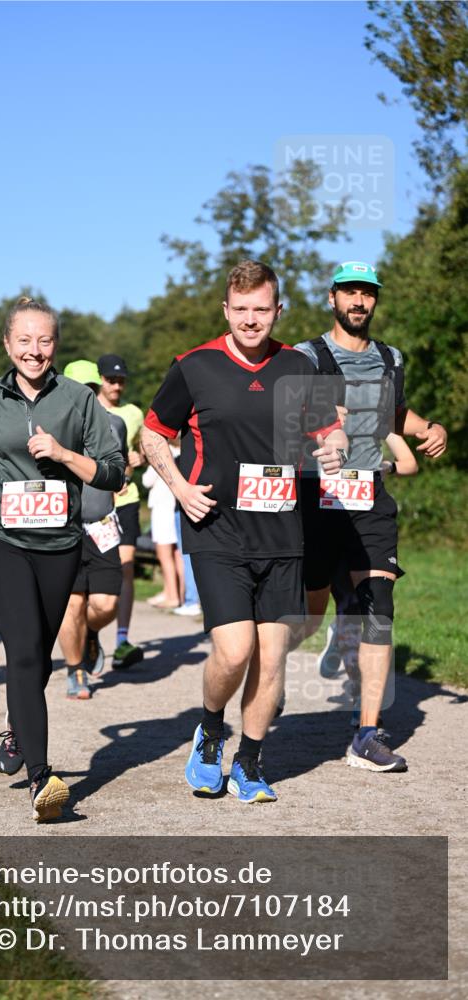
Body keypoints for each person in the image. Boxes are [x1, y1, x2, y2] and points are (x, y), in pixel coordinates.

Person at [142, 260, 347, 804]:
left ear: (278, 310)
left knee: (272, 657)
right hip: (217, 529)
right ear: (225, 310)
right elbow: (152, 433)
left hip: (283, 533)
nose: (252, 320)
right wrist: (181, 489)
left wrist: (335, 446)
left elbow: (332, 430)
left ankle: (250, 762)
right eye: (242, 310)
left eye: (262, 309)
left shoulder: (300, 367)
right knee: (234, 652)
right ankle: (210, 731)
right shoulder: (195, 365)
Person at [0, 298, 124, 822]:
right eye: (24, 340)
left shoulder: (78, 400)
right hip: (0, 537)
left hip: (59, 544)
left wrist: (65, 454)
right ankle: (42, 778)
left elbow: (113, 472)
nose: (34, 350)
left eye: (44, 341)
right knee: (24, 651)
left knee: (37, 658)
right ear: (8, 345)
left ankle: (16, 725)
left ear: (56, 346)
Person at [293, 261, 447, 772]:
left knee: (378, 603)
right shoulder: (306, 357)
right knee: (309, 615)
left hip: (369, 497)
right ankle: (291, 659)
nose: (359, 302)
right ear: (332, 298)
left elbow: (393, 412)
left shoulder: (390, 358)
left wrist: (428, 428)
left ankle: (366, 733)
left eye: (367, 294)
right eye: (349, 293)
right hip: (317, 497)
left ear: (375, 300)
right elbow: (283, 422)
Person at [317, 431, 419, 727]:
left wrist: (386, 467)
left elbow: (410, 463)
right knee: (348, 611)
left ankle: (365, 705)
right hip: (330, 524)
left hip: (369, 528)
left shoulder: (377, 420)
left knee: (372, 610)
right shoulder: (318, 420)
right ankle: (352, 674)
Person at [57, 360, 127, 700]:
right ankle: (76, 671)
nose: (84, 395)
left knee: (106, 604)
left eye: (89, 388)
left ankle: (90, 635)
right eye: (76, 389)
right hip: (63, 529)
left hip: (102, 527)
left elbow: (121, 467)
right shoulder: (50, 428)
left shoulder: (114, 424)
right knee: (71, 605)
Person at [96, 354, 145, 669]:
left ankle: (122, 640)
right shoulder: (88, 410)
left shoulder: (134, 413)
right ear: (100, 379)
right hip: (97, 506)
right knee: (99, 575)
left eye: (121, 380)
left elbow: (143, 447)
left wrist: (140, 457)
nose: (117, 385)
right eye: (111, 379)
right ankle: (91, 636)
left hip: (127, 501)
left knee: (126, 568)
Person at [142, 448, 184, 608]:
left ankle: (173, 596)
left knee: (164, 555)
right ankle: (175, 592)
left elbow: (147, 480)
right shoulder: (180, 453)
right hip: (172, 508)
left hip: (162, 508)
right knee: (176, 554)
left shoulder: (160, 453)